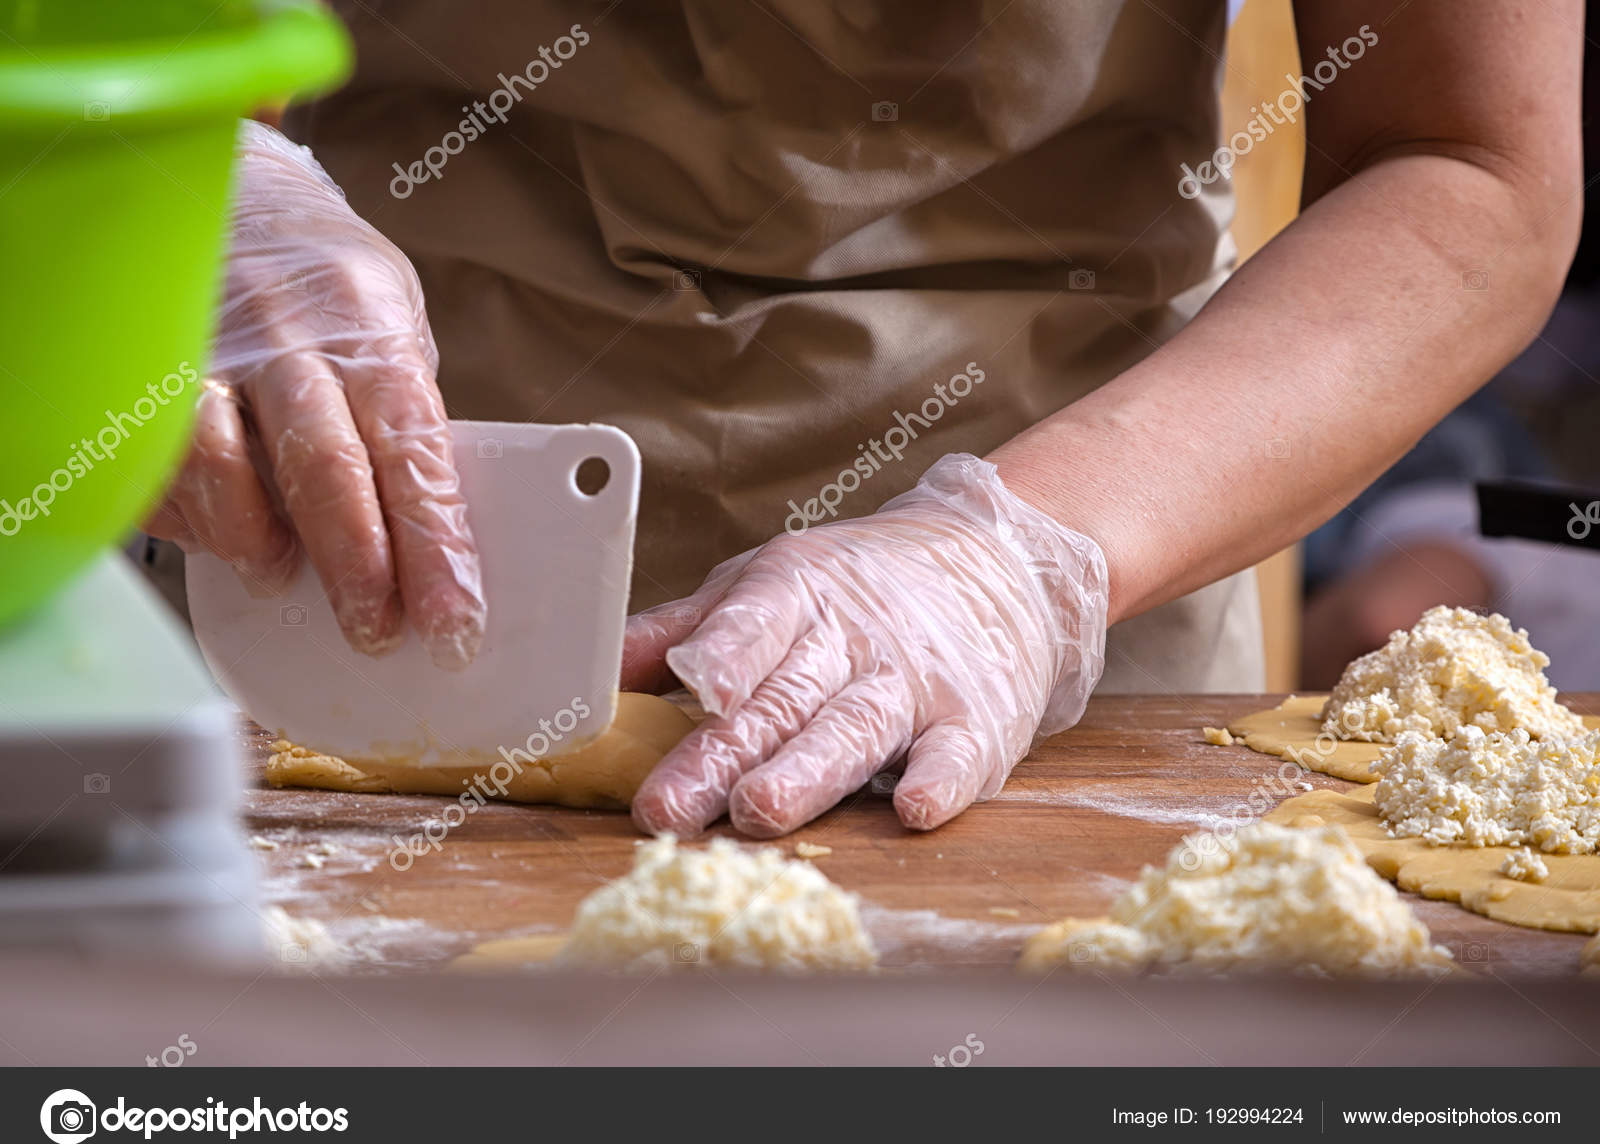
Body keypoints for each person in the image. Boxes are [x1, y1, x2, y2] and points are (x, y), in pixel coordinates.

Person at [144, 1, 1583, 838]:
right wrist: (165, 186)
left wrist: (1014, 562)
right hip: (355, 513)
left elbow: (1467, 162)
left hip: (1082, 545)